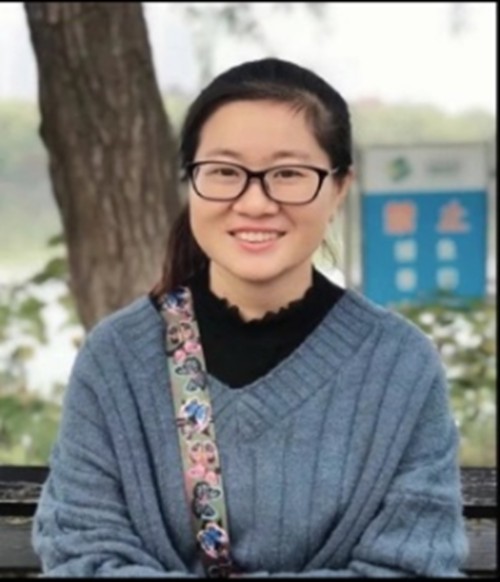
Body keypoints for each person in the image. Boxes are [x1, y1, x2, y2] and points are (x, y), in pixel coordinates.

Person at [32, 57, 469, 578]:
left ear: (339, 187)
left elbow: (414, 567)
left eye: (288, 174)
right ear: (190, 181)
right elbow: (82, 555)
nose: (255, 202)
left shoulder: (400, 367)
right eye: (224, 172)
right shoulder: (117, 359)